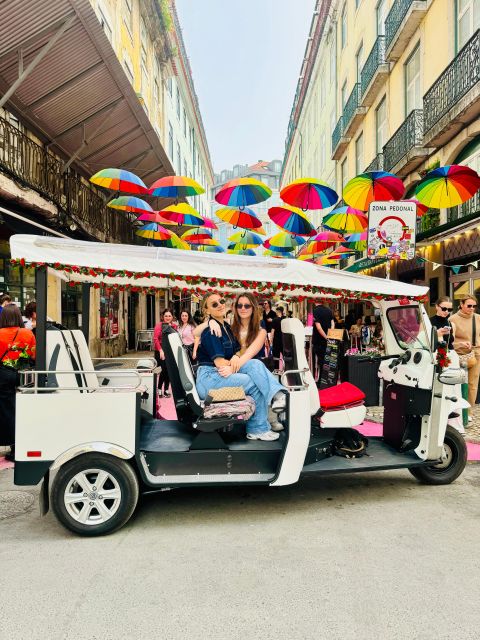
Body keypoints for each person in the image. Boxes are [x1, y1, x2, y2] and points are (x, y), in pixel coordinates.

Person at [195, 292, 287, 441]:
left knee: (255, 365)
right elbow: (219, 362)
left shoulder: (227, 327)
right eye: (214, 304)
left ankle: (273, 404)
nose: (219, 305)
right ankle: (259, 426)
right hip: (211, 377)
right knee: (254, 382)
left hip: (226, 372)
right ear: (207, 310)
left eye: (221, 301)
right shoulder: (215, 329)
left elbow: (243, 352)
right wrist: (209, 322)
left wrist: (236, 358)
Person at [0, 304, 36, 460]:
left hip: (3, 375)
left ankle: (12, 444)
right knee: (24, 408)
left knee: (7, 410)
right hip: (23, 375)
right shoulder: (28, 334)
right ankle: (23, 445)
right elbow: (33, 356)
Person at [451, 296, 480, 423]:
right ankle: (457, 411)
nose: (472, 308)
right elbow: (449, 341)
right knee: (458, 385)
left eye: (474, 306)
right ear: (461, 304)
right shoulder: (452, 319)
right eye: (469, 306)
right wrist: (460, 344)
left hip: (476, 353)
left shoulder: (478, 318)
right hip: (458, 355)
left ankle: (468, 411)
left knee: (473, 385)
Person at [153, 308, 178, 397]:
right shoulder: (159, 325)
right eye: (166, 316)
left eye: (169, 316)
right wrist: (160, 350)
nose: (167, 317)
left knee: (168, 371)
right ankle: (159, 389)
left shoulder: (174, 326)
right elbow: (155, 339)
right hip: (161, 350)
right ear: (163, 317)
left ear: (172, 317)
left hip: (170, 350)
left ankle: (166, 389)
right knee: (164, 370)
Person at [312, 302, 334, 383]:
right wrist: (330, 335)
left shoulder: (316, 311)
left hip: (319, 340)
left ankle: (320, 380)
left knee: (320, 361)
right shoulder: (329, 310)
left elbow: (318, 328)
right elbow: (332, 323)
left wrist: (326, 337)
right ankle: (326, 380)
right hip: (328, 340)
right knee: (327, 360)